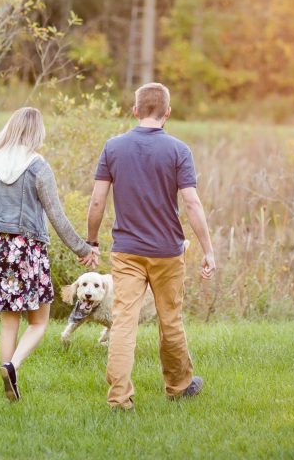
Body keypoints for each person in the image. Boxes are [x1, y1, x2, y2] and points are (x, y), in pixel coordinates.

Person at [87, 82, 216, 410]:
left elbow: (97, 202)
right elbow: (192, 203)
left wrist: (91, 241)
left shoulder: (113, 147)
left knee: (123, 320)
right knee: (170, 319)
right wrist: (209, 249)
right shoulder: (178, 150)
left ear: (135, 111)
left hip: (126, 251)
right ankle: (178, 386)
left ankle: (119, 398)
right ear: (167, 112)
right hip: (167, 253)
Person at [0, 107, 100, 402]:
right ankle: (13, 366)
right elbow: (57, 216)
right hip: (28, 252)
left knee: (9, 324)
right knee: (38, 323)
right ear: (36, 132)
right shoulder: (38, 166)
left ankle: (8, 380)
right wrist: (83, 249)